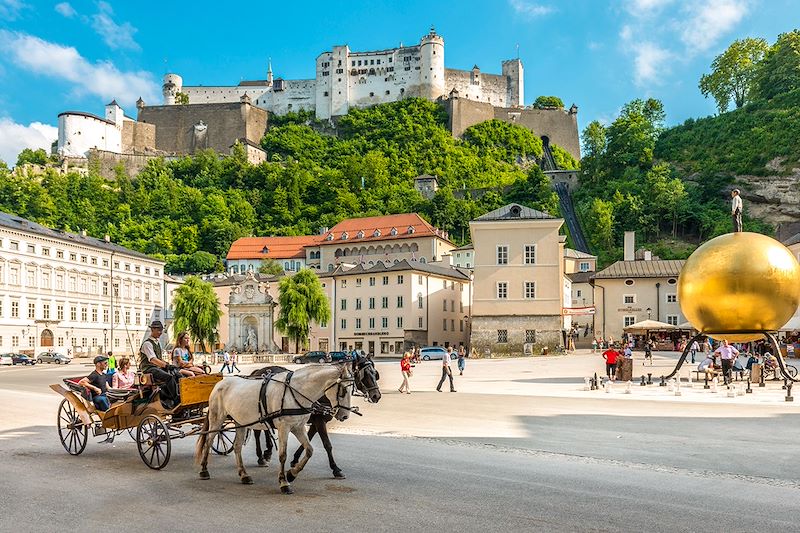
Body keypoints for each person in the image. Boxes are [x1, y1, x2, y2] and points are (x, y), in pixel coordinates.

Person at [139, 320, 180, 409]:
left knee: (177, 373)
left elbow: (159, 359)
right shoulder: (147, 344)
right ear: (152, 330)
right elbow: (153, 359)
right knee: (168, 377)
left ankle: (174, 395)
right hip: (149, 369)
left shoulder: (157, 343)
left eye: (161, 330)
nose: (160, 332)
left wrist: (169, 365)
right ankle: (176, 400)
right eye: (158, 330)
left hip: (157, 367)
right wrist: (166, 366)